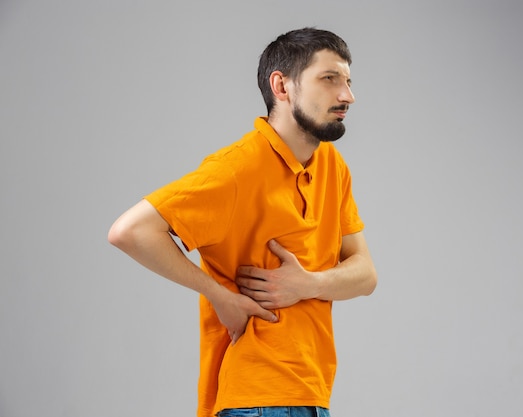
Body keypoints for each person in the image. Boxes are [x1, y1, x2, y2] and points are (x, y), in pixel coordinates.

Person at [108, 27, 377, 417]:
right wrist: (222, 297)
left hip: (310, 394)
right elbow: (129, 231)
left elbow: (366, 274)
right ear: (281, 87)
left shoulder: (332, 167)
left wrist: (309, 284)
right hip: (256, 399)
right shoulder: (238, 168)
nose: (347, 96)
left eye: (349, 81)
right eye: (329, 79)